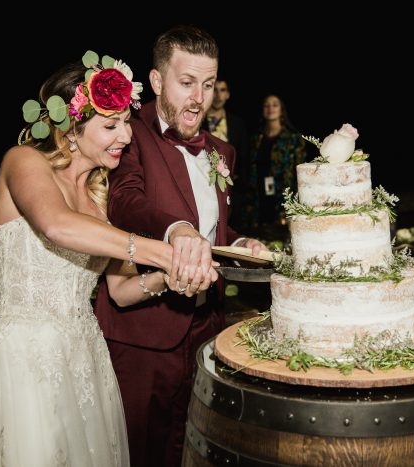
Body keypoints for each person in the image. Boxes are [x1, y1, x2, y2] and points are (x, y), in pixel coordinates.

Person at [0, 51, 215, 467]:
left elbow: (122, 292)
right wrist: (162, 250)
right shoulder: (23, 162)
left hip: (86, 363)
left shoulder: (98, 205)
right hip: (23, 360)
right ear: (71, 129)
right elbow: (54, 224)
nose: (125, 135)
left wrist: (172, 275)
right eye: (110, 125)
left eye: (126, 121)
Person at [93, 26, 266, 466]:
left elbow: (215, 235)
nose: (198, 98)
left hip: (208, 328)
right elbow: (124, 198)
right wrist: (177, 230)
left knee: (199, 449)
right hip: (144, 335)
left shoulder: (223, 152)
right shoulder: (124, 134)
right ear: (155, 81)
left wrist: (241, 243)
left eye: (207, 85)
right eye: (186, 83)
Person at [243, 94, 308, 234]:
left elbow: (301, 173)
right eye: (267, 105)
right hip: (259, 197)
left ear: (281, 110)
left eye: (275, 104)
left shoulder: (293, 138)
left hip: (283, 198)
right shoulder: (256, 138)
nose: (270, 108)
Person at [202, 79, 249, 229]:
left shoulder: (237, 123)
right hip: (204, 186)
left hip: (232, 190)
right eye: (214, 90)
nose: (218, 95)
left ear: (228, 95)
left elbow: (244, 156)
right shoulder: (197, 120)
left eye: (222, 90)